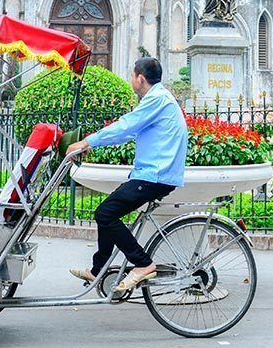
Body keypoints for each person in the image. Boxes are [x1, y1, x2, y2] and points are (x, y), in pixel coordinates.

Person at [64, 57, 188, 295]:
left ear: (140, 78)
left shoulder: (157, 100)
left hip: (155, 176)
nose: (130, 79)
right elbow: (126, 133)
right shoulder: (159, 99)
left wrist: (88, 140)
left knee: (105, 213)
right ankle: (98, 268)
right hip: (153, 174)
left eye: (132, 75)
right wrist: (92, 145)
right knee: (108, 212)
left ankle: (143, 263)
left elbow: (126, 125)